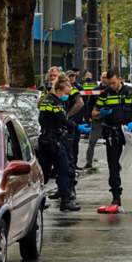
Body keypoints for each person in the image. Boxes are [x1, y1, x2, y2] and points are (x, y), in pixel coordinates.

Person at [86, 69, 132, 209]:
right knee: (113, 167)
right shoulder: (105, 93)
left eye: (113, 83)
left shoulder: (130, 92)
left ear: (120, 79)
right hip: (113, 133)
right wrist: (100, 113)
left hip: (130, 132)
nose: (111, 85)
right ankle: (116, 196)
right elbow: (94, 113)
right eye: (109, 83)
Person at [38, 75, 80, 211]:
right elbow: (62, 120)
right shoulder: (56, 103)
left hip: (44, 139)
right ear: (59, 90)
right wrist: (77, 126)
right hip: (53, 140)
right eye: (66, 93)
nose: (67, 96)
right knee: (63, 169)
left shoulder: (45, 101)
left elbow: (42, 119)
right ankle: (65, 201)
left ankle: (38, 201)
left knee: (44, 172)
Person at [81, 71, 102, 168]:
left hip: (110, 120)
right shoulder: (95, 87)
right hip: (96, 118)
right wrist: (90, 116)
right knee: (92, 141)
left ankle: (116, 163)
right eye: (103, 77)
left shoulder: (111, 89)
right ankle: (89, 162)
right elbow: (89, 103)